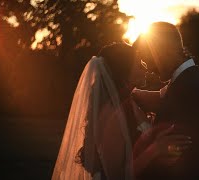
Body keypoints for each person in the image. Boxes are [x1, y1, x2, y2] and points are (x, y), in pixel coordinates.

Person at [51, 43, 191, 180]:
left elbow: (167, 94)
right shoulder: (111, 114)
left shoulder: (132, 101)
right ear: (124, 72)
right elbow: (116, 175)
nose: (145, 67)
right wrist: (155, 149)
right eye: (139, 63)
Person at [132, 22, 199, 180]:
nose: (148, 68)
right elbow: (156, 98)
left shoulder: (189, 87)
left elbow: (173, 160)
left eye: (147, 58)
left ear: (163, 51)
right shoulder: (184, 82)